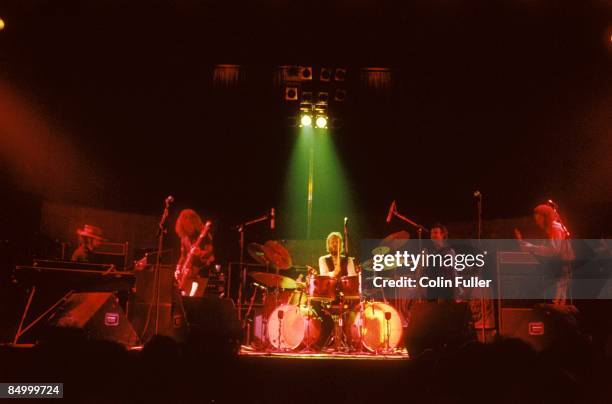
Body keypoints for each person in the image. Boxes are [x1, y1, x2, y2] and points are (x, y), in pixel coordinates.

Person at [514, 203, 574, 305]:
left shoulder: (555, 229)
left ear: (545, 217)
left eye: (539, 218)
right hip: (561, 264)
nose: (537, 222)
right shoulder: (553, 229)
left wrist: (532, 247)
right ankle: (559, 306)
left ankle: (559, 308)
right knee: (561, 294)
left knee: (560, 294)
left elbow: (553, 250)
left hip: (563, 263)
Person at [175, 209, 215, 296]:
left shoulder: (204, 235)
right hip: (187, 273)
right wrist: (178, 268)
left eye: (190, 224)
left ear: (195, 223)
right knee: (184, 298)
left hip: (201, 272)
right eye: (185, 225)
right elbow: (183, 256)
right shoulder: (184, 238)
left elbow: (210, 253)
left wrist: (199, 252)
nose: (188, 227)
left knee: (194, 300)